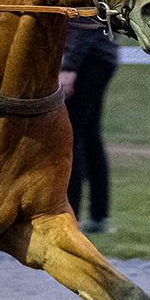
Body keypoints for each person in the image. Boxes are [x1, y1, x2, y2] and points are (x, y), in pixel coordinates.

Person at [61, 14, 119, 234]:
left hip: (87, 60)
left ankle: (71, 216)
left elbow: (82, 22)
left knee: (72, 136)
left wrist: (69, 66)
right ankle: (99, 215)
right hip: (102, 56)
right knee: (90, 136)